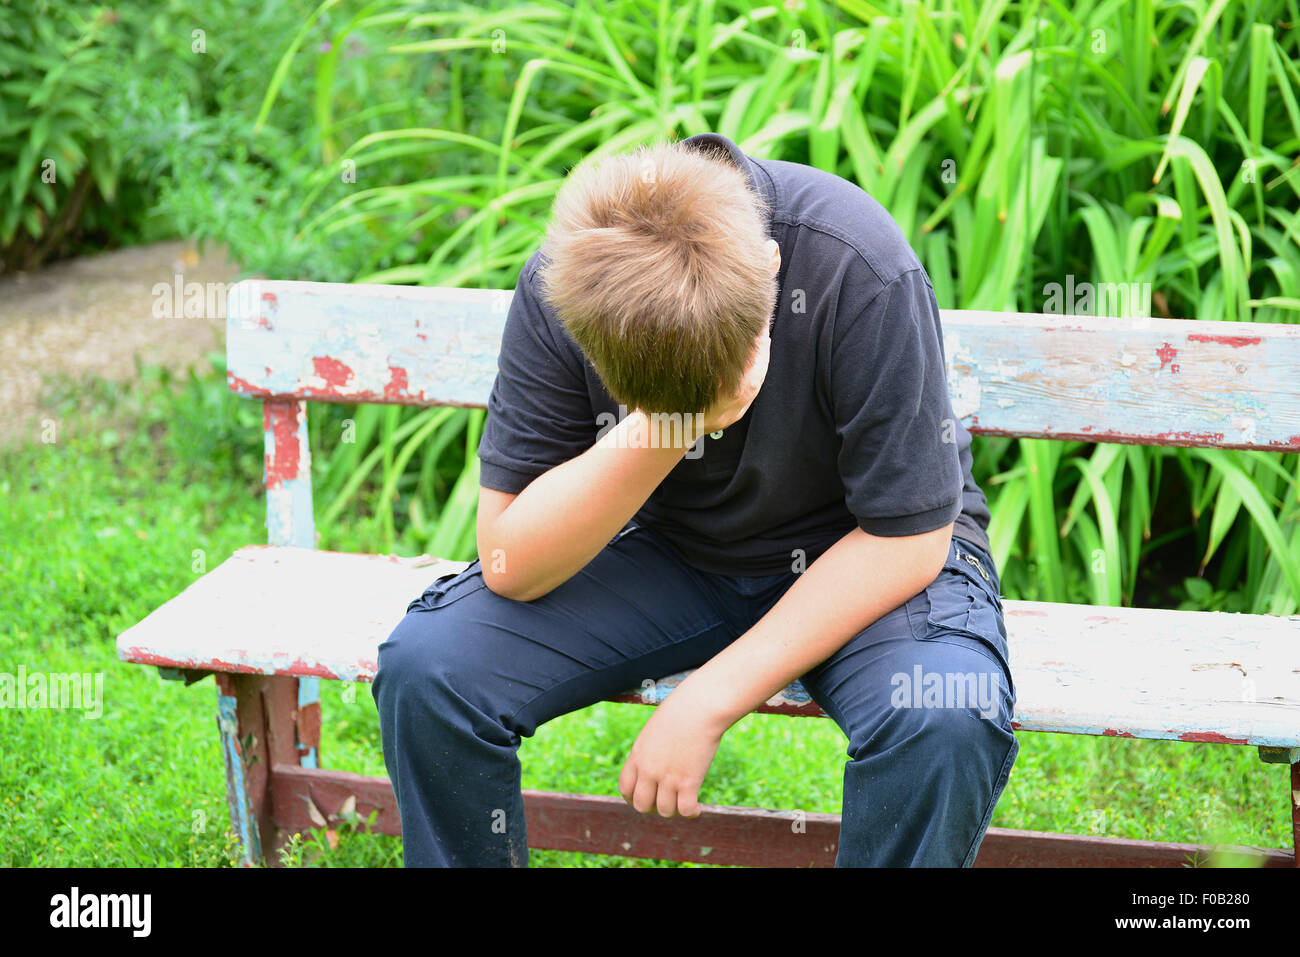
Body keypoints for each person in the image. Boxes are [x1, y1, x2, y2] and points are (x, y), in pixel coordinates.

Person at [373, 132, 1018, 867]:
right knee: (431, 669)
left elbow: (911, 537)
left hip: (868, 555)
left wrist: (708, 698)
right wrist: (676, 422)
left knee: (943, 715)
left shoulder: (858, 263)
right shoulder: (575, 280)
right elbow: (509, 559)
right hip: (676, 554)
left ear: (771, 270)